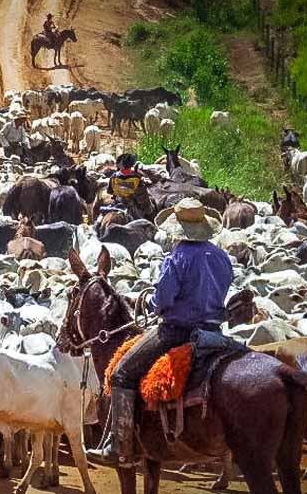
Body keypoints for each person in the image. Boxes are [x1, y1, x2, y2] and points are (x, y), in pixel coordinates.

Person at [86, 197, 234, 468]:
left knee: (121, 374)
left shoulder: (178, 257)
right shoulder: (221, 256)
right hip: (214, 331)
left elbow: (163, 299)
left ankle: (120, 445)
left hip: (178, 332)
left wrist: (151, 303)